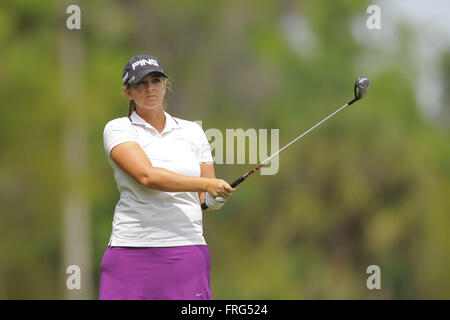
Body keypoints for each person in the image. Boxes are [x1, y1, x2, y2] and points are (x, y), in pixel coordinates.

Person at [99, 54, 234, 300]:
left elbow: (204, 200)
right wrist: (207, 184)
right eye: (141, 83)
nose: (150, 87)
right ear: (128, 92)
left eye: (156, 80)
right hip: (131, 251)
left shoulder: (193, 131)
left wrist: (216, 196)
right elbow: (147, 176)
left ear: (165, 86)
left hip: (186, 251)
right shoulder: (118, 129)